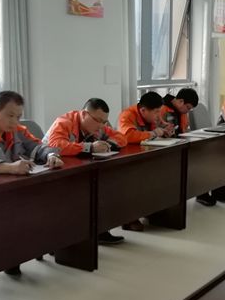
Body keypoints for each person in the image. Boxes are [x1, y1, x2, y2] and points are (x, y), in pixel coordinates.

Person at [0, 91, 64, 276]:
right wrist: (10, 167)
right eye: (10, 115)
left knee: (51, 197)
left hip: (9, 189)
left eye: (18, 117)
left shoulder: (17, 130)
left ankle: (40, 244)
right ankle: (10, 254)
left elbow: (37, 146)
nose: (14, 122)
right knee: (16, 210)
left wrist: (51, 155)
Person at [44, 98, 129, 245]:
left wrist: (109, 143)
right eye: (98, 121)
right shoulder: (64, 122)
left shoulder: (98, 127)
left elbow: (122, 138)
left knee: (103, 186)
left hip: (77, 169)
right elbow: (56, 145)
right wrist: (89, 147)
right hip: (52, 172)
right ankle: (66, 240)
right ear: (84, 114)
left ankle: (99, 230)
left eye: (104, 122)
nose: (101, 126)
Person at [118, 92, 173, 230]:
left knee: (161, 175)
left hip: (145, 153)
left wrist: (165, 130)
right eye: (156, 112)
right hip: (126, 159)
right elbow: (128, 136)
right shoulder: (127, 115)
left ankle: (153, 210)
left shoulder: (152, 113)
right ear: (143, 110)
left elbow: (158, 128)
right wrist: (154, 133)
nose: (158, 115)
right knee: (137, 181)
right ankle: (130, 218)